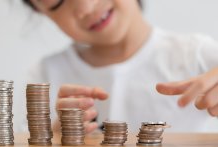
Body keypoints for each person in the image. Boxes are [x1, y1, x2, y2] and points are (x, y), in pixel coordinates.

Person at [23, 0, 218, 133]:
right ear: (40, 10)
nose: (86, 6)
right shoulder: (44, 75)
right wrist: (53, 137)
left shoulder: (196, 54)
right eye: (56, 1)